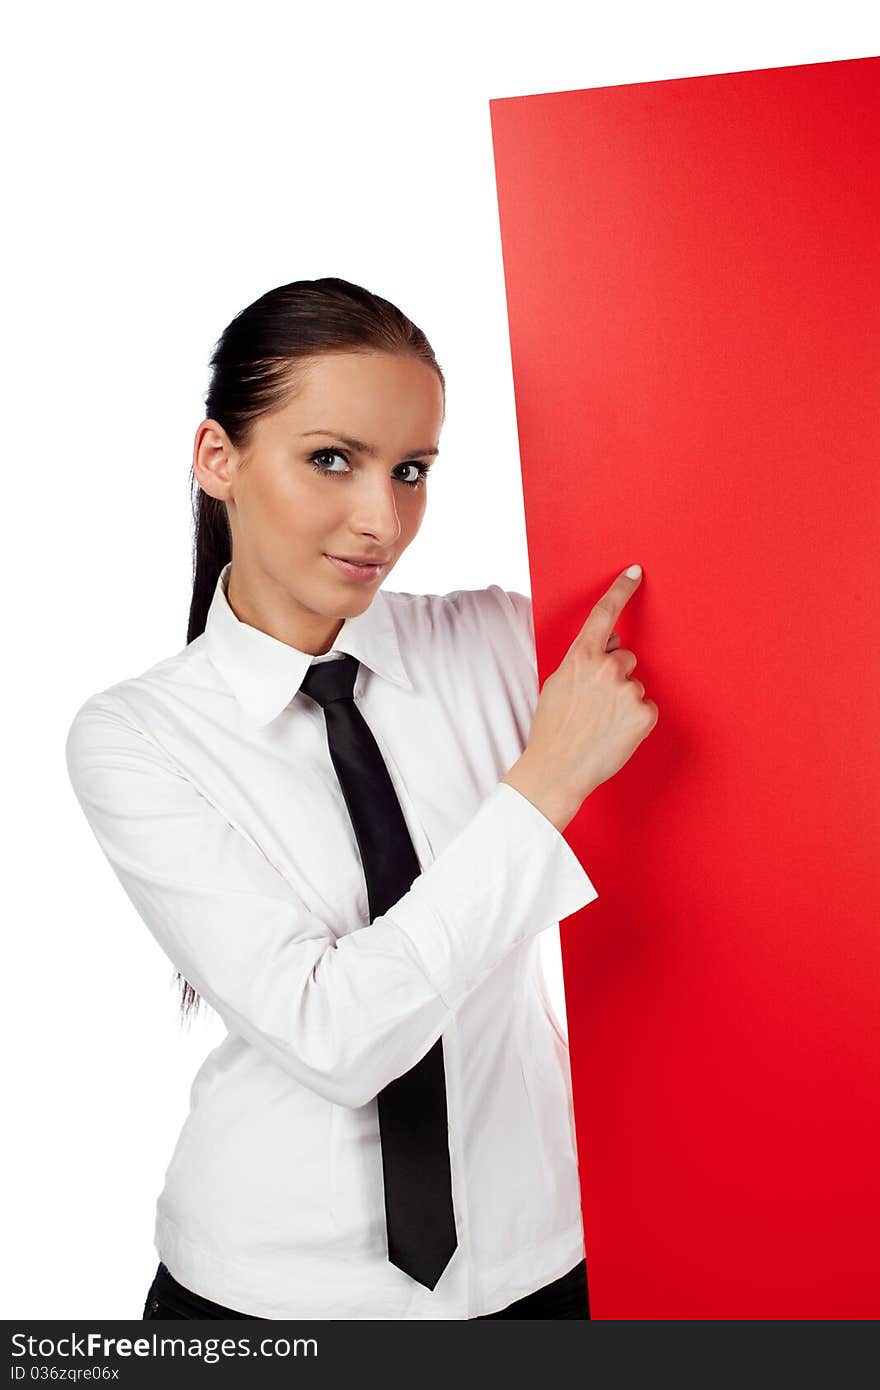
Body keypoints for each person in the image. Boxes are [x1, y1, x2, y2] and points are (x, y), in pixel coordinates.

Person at [65, 276, 658, 1321]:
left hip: (542, 1262)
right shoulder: (136, 738)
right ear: (219, 459)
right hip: (265, 1292)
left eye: (412, 470)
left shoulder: (498, 644)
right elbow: (334, 1035)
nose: (381, 518)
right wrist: (544, 783)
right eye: (331, 459)